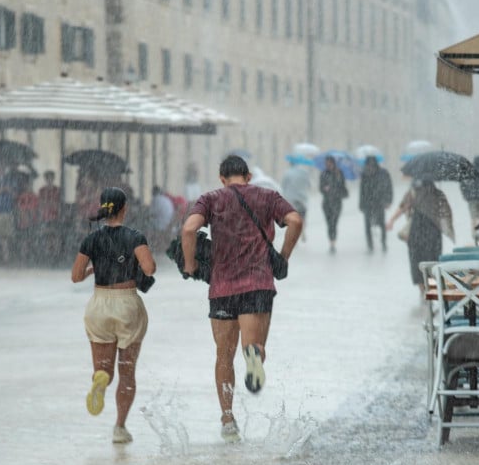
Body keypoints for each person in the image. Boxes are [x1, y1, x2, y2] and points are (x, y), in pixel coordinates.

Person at [181, 154, 303, 442]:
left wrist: (190, 264)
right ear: (248, 176)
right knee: (254, 345)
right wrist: (283, 256)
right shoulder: (268, 196)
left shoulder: (211, 199)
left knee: (224, 355)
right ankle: (254, 355)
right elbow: (295, 220)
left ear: (222, 179)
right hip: (258, 283)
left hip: (222, 287)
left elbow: (189, 229)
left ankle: (227, 420)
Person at [71, 187, 156, 444]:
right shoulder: (134, 236)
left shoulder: (91, 239)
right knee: (127, 372)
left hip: (99, 305)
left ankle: (101, 380)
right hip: (126, 304)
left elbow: (75, 277)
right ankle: (120, 427)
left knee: (104, 368)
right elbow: (149, 269)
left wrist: (93, 269)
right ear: (124, 208)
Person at [386, 175, 455, 295]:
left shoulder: (414, 193)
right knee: (433, 260)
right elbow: (445, 213)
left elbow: (403, 207)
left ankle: (423, 290)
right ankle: (432, 288)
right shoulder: (437, 194)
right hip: (433, 232)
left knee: (417, 262)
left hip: (417, 232)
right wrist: (447, 229)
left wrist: (392, 220)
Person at [359, 155, 393, 253]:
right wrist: (361, 204)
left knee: (381, 224)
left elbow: (388, 187)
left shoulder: (383, 173)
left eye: (371, 164)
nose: (369, 167)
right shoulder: (365, 174)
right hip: (367, 203)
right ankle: (370, 245)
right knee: (367, 225)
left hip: (379, 202)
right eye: (368, 165)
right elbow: (362, 190)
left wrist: (388, 201)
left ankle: (383, 242)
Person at [319, 154, 348, 254]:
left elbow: (343, 187)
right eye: (326, 163)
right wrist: (324, 188)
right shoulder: (323, 174)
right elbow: (320, 188)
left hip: (337, 202)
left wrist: (334, 189)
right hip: (326, 203)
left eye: (329, 163)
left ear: (333, 163)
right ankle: (331, 241)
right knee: (329, 223)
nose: (328, 165)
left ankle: (333, 243)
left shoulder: (339, 173)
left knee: (334, 223)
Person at [460, 155, 479, 239]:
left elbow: (463, 185)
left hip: (471, 199)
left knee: (473, 218)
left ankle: (474, 235)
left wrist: (466, 196)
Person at [281, 159, 311, 241]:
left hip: (291, 200)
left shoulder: (287, 173)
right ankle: (302, 230)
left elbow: (283, 186)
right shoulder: (304, 173)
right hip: (302, 199)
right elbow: (308, 185)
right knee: (302, 217)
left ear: (290, 164)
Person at [38, 170, 61, 261]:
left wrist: (49, 203)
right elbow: (41, 204)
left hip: (55, 217)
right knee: (47, 236)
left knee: (55, 236)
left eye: (51, 178)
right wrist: (50, 203)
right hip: (45, 217)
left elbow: (57, 204)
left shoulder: (57, 190)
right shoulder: (42, 191)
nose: (49, 180)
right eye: (48, 179)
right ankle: (47, 256)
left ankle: (55, 256)